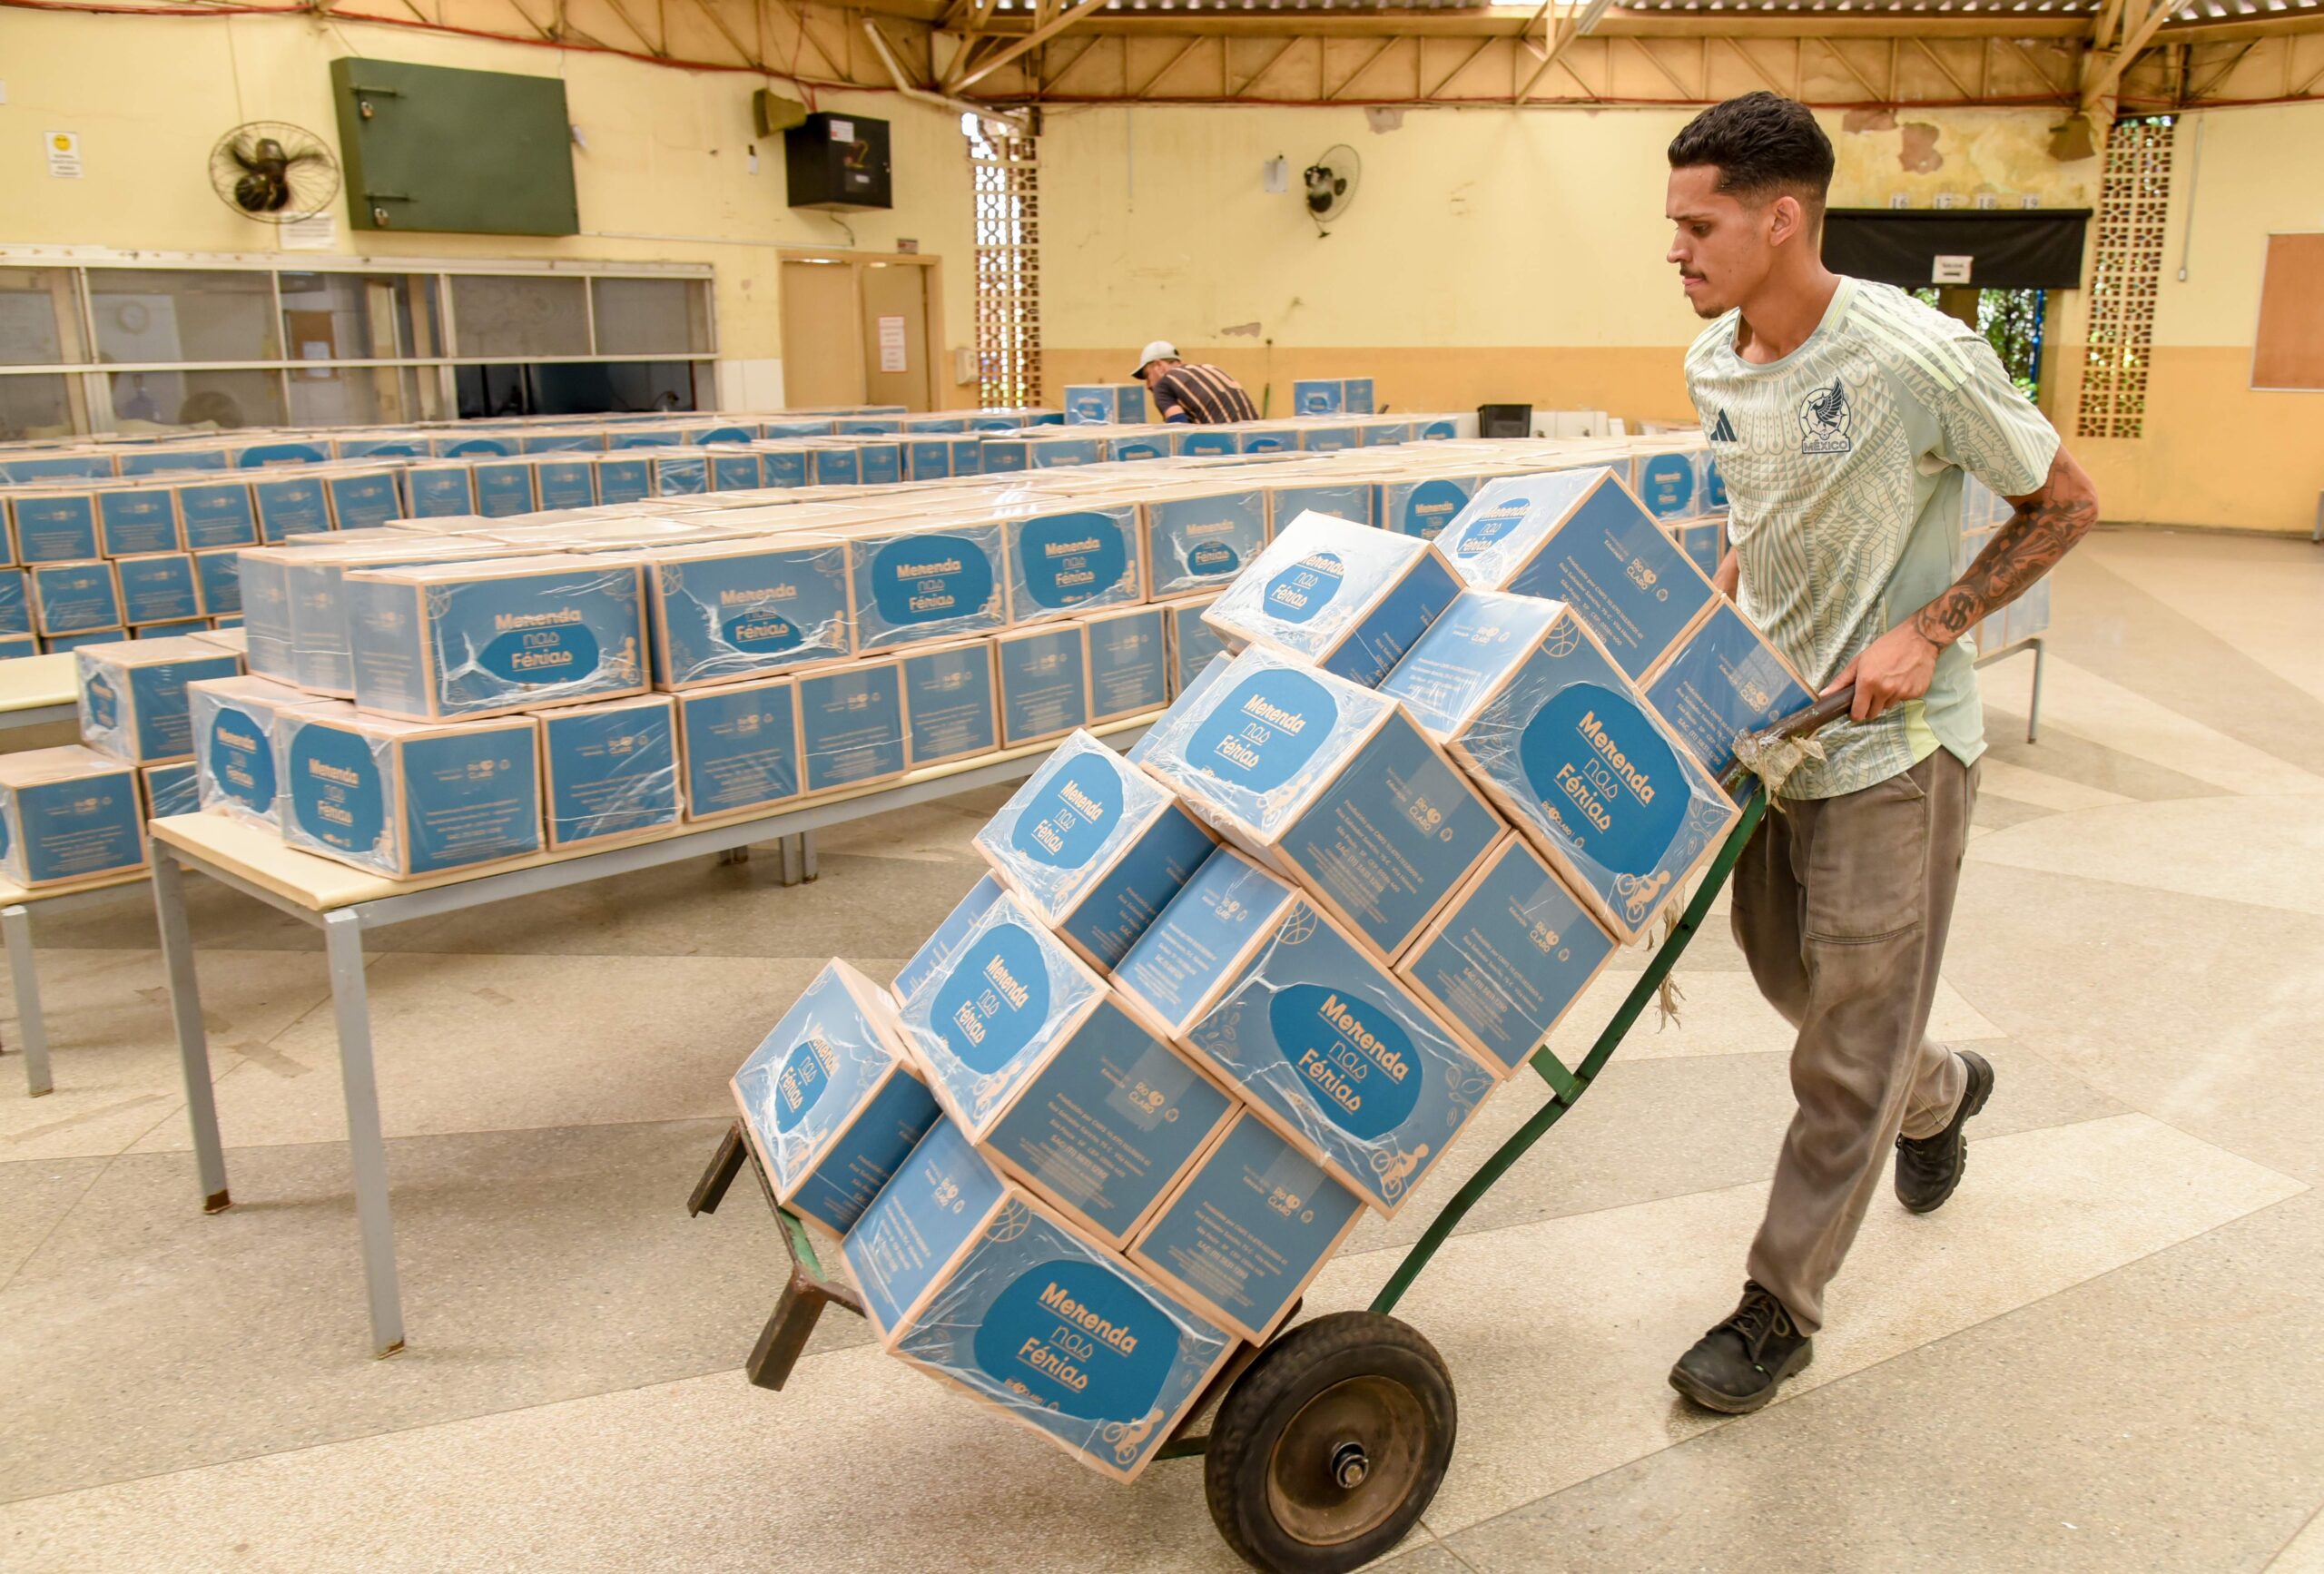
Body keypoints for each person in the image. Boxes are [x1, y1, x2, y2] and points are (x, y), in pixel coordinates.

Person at [1660, 93, 2100, 1414]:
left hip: (1897, 748)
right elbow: (1759, 513)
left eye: (1699, 225)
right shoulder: (1714, 364)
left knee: (1841, 1043)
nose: (1674, 250)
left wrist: (1933, 624)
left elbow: (2065, 501)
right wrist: (1707, 611)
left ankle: (1775, 1307)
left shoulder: (1917, 354)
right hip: (1778, 738)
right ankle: (1943, 1089)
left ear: (1782, 218)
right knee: (1798, 981)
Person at [1132, 340, 1257, 424]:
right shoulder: (1209, 368)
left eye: (1147, 376)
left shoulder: (1164, 384)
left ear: (1158, 365)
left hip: (1223, 448)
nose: (1148, 385)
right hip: (1256, 442)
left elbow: (1178, 432)